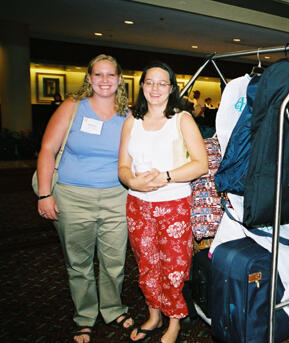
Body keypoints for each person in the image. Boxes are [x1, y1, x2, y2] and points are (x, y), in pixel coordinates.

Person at [36, 54, 133, 343]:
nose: (105, 80)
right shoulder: (73, 107)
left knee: (114, 261)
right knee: (78, 262)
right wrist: (44, 194)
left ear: (119, 80)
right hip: (72, 196)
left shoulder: (128, 113)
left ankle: (113, 308)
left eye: (111, 75)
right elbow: (47, 149)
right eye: (99, 75)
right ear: (89, 78)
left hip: (117, 196)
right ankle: (85, 316)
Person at [118, 61, 208, 343]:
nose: (155, 88)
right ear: (142, 86)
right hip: (137, 205)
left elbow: (201, 165)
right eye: (149, 82)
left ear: (171, 88)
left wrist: (166, 177)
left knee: (173, 267)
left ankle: (174, 322)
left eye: (162, 83)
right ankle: (154, 314)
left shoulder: (181, 119)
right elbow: (122, 166)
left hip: (173, 205)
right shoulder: (132, 120)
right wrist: (132, 182)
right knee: (146, 264)